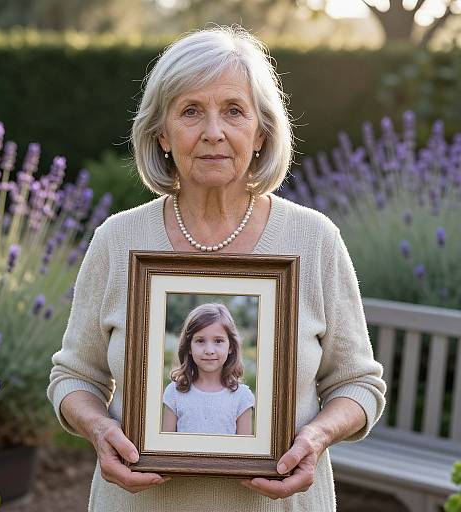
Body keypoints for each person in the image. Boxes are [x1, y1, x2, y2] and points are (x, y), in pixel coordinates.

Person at [47, 25, 386, 511]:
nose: (213, 132)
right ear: (161, 133)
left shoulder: (315, 240)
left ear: (261, 131)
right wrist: (100, 429)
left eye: (233, 111)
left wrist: (315, 437)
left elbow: (359, 385)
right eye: (190, 111)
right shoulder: (117, 241)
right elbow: (73, 378)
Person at [161, 302, 256, 435]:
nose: (209, 350)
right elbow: (165, 448)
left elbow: (246, 453)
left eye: (218, 341)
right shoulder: (174, 393)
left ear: (230, 347)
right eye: (200, 341)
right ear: (189, 347)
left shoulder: (242, 397)